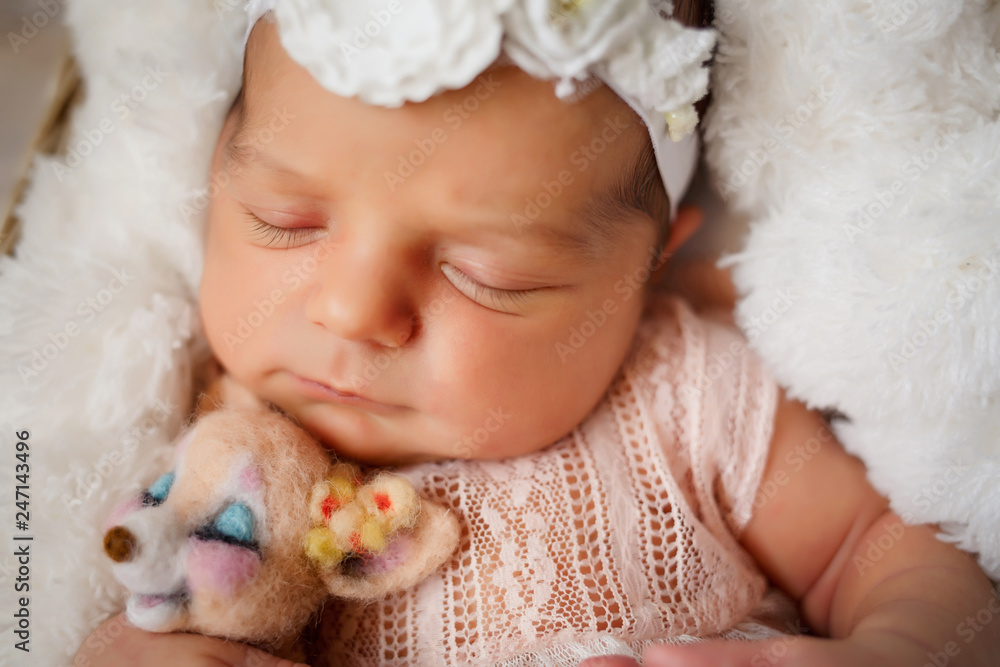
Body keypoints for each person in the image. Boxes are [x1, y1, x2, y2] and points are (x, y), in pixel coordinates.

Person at [74, 1, 1000, 666]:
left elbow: (879, 550)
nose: (352, 311)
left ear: (642, 273)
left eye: (489, 274)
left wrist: (907, 643)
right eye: (284, 218)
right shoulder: (207, 451)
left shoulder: (686, 390)